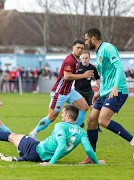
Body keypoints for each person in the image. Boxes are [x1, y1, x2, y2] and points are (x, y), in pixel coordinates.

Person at [0, 105, 106, 165]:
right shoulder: (82, 133)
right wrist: (96, 162)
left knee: (10, 136)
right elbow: (89, 150)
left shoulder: (61, 126)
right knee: (19, 143)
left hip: (35, 149)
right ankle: (19, 158)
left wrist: (51, 164)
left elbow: (62, 144)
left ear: (68, 117)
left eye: (63, 113)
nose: (61, 115)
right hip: (43, 157)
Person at [81, 28, 134, 163]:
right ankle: (92, 156)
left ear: (93, 38)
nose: (86, 42)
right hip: (105, 92)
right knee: (91, 120)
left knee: (102, 120)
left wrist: (115, 86)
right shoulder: (99, 52)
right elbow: (105, 76)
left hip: (118, 90)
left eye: (87, 39)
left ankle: (133, 141)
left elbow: (119, 67)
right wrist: (98, 93)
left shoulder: (108, 48)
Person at [29, 40, 93, 140]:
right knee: (51, 117)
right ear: (73, 48)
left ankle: (75, 131)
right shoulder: (70, 60)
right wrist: (84, 75)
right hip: (59, 93)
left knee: (84, 107)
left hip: (69, 91)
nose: (80, 50)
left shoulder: (77, 60)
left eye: (81, 48)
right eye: (78, 48)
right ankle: (34, 133)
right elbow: (67, 76)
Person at [74, 51, 102, 131]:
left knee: (94, 108)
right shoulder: (77, 66)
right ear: (80, 58)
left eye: (86, 58)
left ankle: (97, 127)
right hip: (78, 91)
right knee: (76, 109)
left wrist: (98, 84)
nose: (84, 60)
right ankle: (79, 123)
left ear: (89, 58)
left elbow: (98, 78)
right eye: (83, 58)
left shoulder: (93, 68)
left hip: (88, 91)